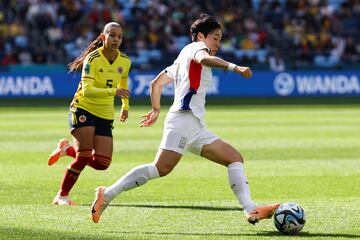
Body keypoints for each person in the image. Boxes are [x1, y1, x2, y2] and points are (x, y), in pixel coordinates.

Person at [91, 14, 279, 224]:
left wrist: (155, 110)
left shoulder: (184, 55)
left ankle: (251, 209)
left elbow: (156, 83)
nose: (218, 43)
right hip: (183, 121)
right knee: (160, 168)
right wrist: (235, 67)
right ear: (201, 36)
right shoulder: (197, 49)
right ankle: (106, 194)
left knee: (234, 158)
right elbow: (203, 59)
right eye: (215, 37)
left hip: (195, 125)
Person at [48, 22, 131, 205]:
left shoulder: (125, 61)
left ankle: (67, 150)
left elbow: (122, 84)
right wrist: (113, 93)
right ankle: (61, 196)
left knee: (103, 163)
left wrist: (125, 105)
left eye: (119, 36)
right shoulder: (92, 59)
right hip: (83, 108)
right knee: (84, 156)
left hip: (105, 113)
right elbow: (87, 91)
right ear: (103, 37)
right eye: (112, 35)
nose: (116, 39)